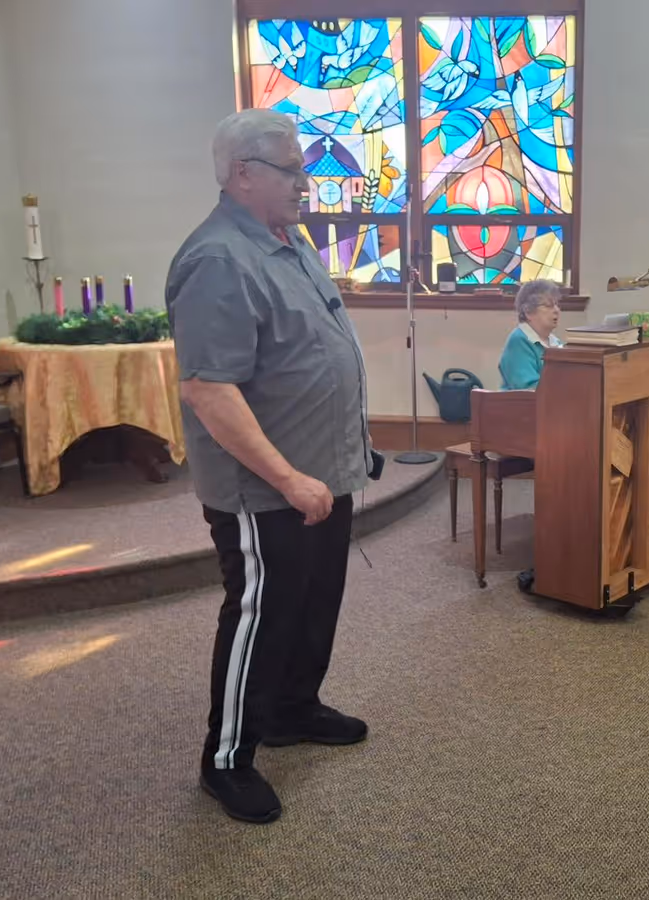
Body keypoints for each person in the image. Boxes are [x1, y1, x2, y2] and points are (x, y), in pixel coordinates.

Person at [165, 108, 375, 825]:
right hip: (265, 489)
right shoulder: (218, 259)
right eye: (292, 168)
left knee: (313, 604)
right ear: (244, 174)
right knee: (260, 614)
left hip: (326, 471)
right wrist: (287, 478)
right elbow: (209, 390)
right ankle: (226, 760)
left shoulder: (286, 241)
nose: (306, 181)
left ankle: (292, 709)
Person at [498, 280, 565, 390]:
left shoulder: (556, 342)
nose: (556, 310)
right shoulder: (519, 341)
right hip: (521, 406)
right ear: (528, 311)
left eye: (557, 304)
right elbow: (528, 389)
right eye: (548, 306)